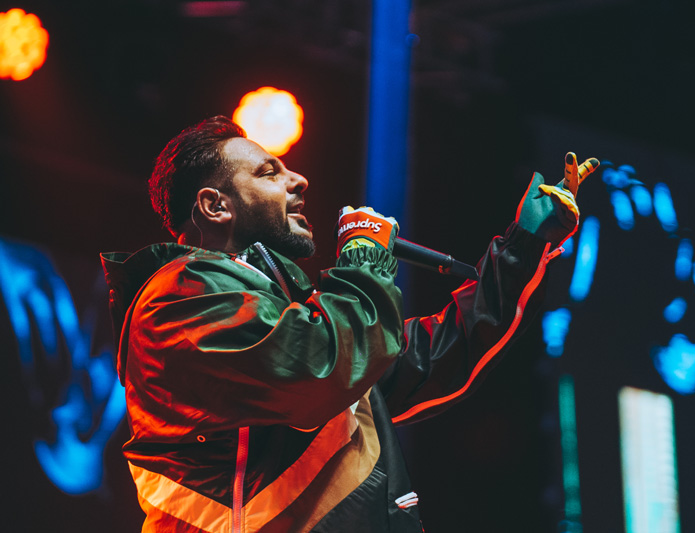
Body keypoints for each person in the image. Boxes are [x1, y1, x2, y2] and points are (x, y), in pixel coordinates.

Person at [101, 115, 597, 533]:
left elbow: (433, 358)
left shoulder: (292, 313)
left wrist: (524, 244)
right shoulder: (180, 296)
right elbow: (321, 370)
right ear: (216, 206)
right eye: (269, 172)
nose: (299, 180)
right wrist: (363, 259)